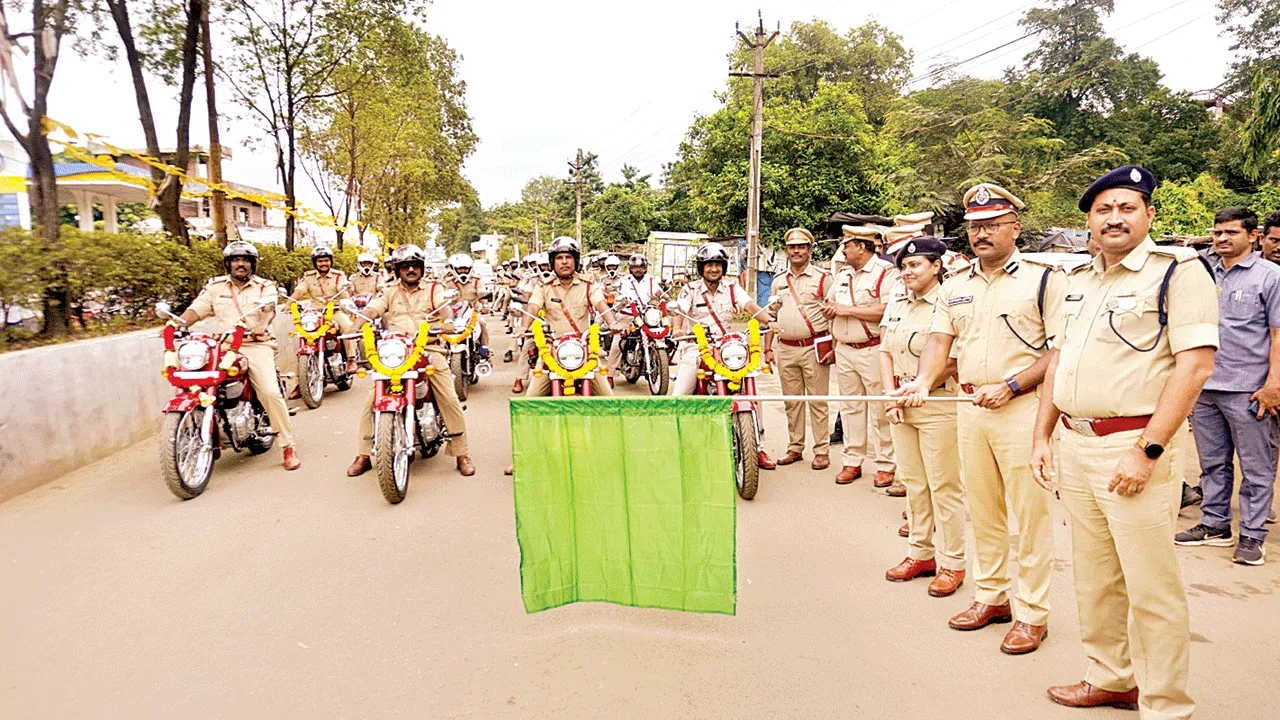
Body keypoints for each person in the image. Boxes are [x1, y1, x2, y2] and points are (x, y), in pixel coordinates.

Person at [1029, 165, 1218, 718]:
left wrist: (1148, 450)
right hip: (1076, 442)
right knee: (1094, 577)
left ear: (1149, 215)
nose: (1114, 218)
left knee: (1151, 588)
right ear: (1089, 220)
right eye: (1103, 210)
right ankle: (1110, 677)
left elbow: (1195, 367)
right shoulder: (1078, 278)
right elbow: (1059, 362)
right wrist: (1042, 435)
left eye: (1127, 207)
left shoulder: (1178, 272)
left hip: (1133, 446)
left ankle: (1166, 705)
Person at [896, 183, 1063, 655]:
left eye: (992, 225)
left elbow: (1060, 352)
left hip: (1022, 409)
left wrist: (1012, 385)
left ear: (1015, 228)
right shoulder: (955, 285)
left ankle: (1032, 614)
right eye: (974, 227)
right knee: (984, 510)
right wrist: (922, 382)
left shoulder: (1044, 280)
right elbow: (939, 343)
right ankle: (991, 597)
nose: (981, 234)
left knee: (1029, 516)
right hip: (970, 409)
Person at [1173, 207, 1280, 565]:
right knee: (1213, 463)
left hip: (1249, 389)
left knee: (1256, 467)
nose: (1221, 238)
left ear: (1253, 236)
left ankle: (1252, 535)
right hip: (1205, 386)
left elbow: (1277, 335)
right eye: (1217, 232)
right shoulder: (1202, 271)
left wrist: (1274, 384)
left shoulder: (1271, 277)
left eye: (1231, 232)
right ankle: (1215, 524)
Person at [879, 236, 965, 597]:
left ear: (936, 266)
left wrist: (922, 385)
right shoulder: (899, 301)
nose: (907, 272)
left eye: (915, 265)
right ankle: (920, 554)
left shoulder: (949, 302)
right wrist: (891, 397)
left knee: (944, 487)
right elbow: (885, 351)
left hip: (937, 404)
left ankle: (953, 563)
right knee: (914, 483)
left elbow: (953, 359)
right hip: (902, 401)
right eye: (903, 266)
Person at [345, 244, 475, 478]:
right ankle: (363, 454)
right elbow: (373, 310)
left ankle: (461, 453)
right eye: (405, 266)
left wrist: (447, 322)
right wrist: (356, 326)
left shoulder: (434, 288)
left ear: (422, 268)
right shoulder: (388, 291)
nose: (411, 270)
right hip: (395, 351)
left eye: (415, 265)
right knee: (371, 401)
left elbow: (444, 309)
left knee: (448, 397)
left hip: (429, 347)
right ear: (398, 269)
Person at [180, 241, 300, 471]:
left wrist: (261, 325)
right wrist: (178, 323)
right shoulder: (215, 287)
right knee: (195, 381)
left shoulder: (264, 286)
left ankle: (287, 446)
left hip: (255, 344)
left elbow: (268, 309)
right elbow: (197, 308)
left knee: (269, 392)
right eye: (236, 260)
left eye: (245, 260)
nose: (241, 264)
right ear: (228, 264)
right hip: (224, 346)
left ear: (252, 264)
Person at [670, 243, 777, 469]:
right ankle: (676, 441)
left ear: (723, 267)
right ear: (701, 267)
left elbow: (750, 306)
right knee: (680, 395)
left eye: (717, 264)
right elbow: (679, 310)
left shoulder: (732, 288)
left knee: (753, 392)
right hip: (697, 346)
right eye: (709, 264)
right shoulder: (690, 290)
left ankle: (758, 447)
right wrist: (677, 328)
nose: (713, 269)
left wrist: (769, 320)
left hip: (727, 348)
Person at [824, 225, 898, 487]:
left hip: (872, 348)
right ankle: (852, 461)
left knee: (880, 410)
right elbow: (831, 302)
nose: (843, 250)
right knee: (850, 407)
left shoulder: (885, 273)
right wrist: (830, 310)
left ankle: (886, 464)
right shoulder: (843, 274)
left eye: (847, 245)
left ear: (861, 247)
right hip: (845, 349)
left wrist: (848, 310)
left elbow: (888, 309)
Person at [767, 228, 835, 470]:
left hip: (813, 347)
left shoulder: (823, 278)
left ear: (809, 250)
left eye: (801, 247)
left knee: (818, 401)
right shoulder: (778, 281)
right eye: (792, 247)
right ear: (787, 251)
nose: (796, 251)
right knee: (792, 401)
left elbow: (834, 314)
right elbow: (771, 316)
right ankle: (795, 447)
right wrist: (767, 349)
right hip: (785, 348)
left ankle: (821, 450)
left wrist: (834, 346)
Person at [521, 237, 624, 397]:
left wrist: (612, 323)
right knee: (531, 399)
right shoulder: (543, 286)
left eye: (568, 257)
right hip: (552, 349)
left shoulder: (588, 283)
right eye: (559, 258)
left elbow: (601, 304)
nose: (564, 262)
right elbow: (533, 306)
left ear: (575, 261)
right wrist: (523, 326)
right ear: (552, 262)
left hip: (583, 348)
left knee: (607, 398)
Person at [291, 246, 358, 374]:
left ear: (331, 261)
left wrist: (346, 298)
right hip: (315, 314)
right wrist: (288, 303)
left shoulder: (338, 276)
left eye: (326, 260)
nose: (323, 264)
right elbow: (299, 291)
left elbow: (343, 290)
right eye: (320, 261)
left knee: (347, 327)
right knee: (303, 334)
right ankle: (301, 376)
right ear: (315, 263)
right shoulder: (308, 276)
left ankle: (351, 359)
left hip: (335, 311)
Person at [442, 253, 491, 361]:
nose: (463, 271)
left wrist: (485, 305)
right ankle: (441, 352)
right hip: (453, 314)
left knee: (482, 323)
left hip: (473, 312)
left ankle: (485, 351)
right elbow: (441, 297)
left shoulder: (476, 280)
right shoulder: (448, 282)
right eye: (460, 269)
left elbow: (482, 293)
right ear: (454, 269)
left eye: (466, 269)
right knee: (439, 328)